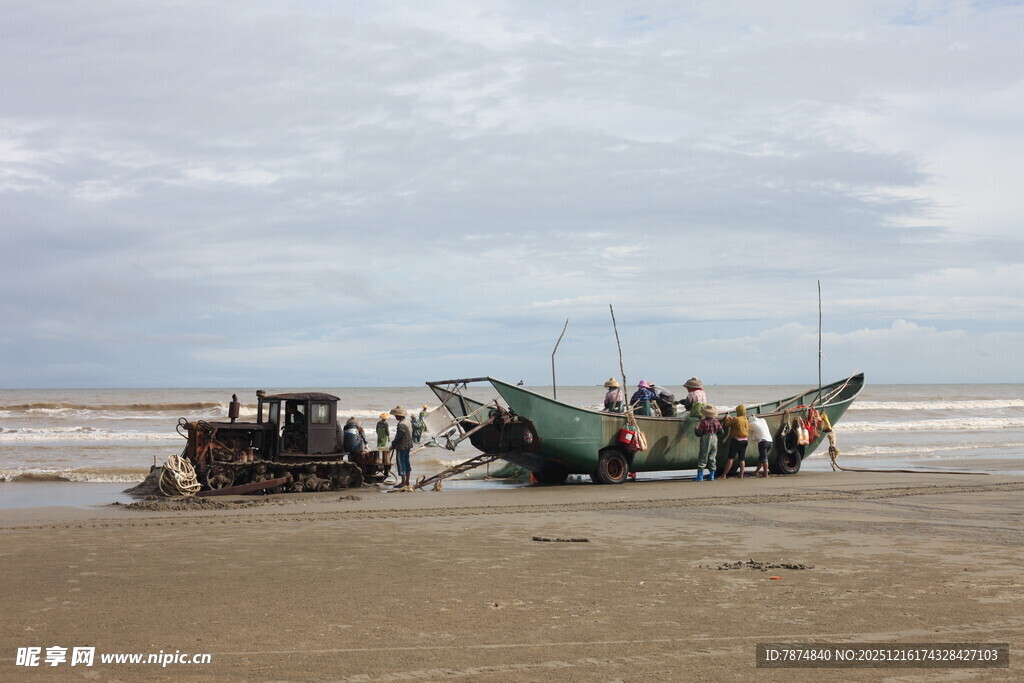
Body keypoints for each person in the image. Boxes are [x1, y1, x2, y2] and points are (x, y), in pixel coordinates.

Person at [694, 404, 722, 481]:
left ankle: (700, 476)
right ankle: (712, 476)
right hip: (714, 438)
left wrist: (696, 429)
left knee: (703, 456)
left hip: (706, 438)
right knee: (712, 456)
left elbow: (699, 433)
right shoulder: (716, 421)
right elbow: (721, 432)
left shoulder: (703, 422)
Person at [722, 405, 749, 478]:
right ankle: (741, 475)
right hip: (745, 440)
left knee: (731, 458)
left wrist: (727, 418)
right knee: (742, 459)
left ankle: (724, 475)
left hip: (736, 441)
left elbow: (727, 425)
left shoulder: (736, 419)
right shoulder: (745, 419)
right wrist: (732, 419)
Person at [390, 405, 414, 489]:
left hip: (401, 446)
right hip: (408, 445)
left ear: (399, 415)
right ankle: (407, 481)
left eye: (396, 415)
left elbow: (399, 436)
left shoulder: (401, 424)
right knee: (407, 463)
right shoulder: (408, 421)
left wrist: (393, 444)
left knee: (401, 464)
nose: (395, 417)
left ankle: (403, 482)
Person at [748, 412, 772, 478]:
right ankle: (756, 472)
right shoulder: (763, 420)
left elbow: (746, 425)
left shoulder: (753, 424)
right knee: (762, 458)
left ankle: (766, 474)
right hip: (770, 441)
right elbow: (756, 419)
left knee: (764, 458)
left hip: (763, 442)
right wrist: (754, 416)